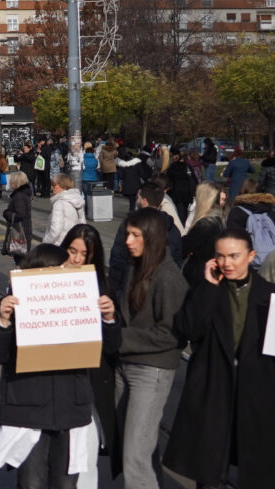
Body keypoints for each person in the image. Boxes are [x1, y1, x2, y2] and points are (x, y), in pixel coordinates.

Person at [0, 243, 118, 489]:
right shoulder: (11, 305)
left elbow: (110, 348)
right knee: (31, 483)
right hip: (29, 411)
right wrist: (3, 321)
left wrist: (108, 319)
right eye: (60, 269)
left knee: (66, 484)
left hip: (70, 409)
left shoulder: (83, 300)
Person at [163, 229, 275, 489]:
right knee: (209, 468)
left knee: (258, 469)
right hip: (213, 389)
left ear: (251, 256)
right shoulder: (207, 289)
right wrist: (208, 288)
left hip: (256, 393)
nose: (227, 263)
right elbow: (188, 329)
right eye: (221, 256)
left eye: (234, 256)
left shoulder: (268, 295)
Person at [114, 208, 188, 489]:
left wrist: (121, 339)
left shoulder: (168, 277)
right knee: (139, 447)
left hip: (152, 370)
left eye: (135, 235)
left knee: (136, 455)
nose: (128, 241)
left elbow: (172, 334)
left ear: (152, 237)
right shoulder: (136, 267)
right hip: (126, 365)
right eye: (127, 234)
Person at [60, 224, 119, 488]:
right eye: (72, 251)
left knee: (86, 454)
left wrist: (110, 318)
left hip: (88, 384)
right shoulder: (46, 278)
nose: (77, 259)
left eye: (85, 254)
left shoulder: (103, 286)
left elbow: (114, 346)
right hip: (55, 382)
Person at [182, 181, 227, 286]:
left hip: (200, 276)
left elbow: (183, 248)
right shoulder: (219, 218)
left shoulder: (205, 225)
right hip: (210, 271)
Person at [43, 174, 86, 245]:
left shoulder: (59, 204)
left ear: (62, 185)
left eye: (54, 185)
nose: (51, 187)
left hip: (59, 244)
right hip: (72, 242)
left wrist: (45, 243)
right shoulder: (77, 200)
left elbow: (55, 230)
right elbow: (82, 223)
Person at [3, 171, 33, 266]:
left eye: (11, 180)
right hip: (23, 230)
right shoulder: (22, 193)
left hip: (20, 232)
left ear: (17, 182)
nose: (10, 182)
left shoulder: (19, 195)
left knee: (20, 259)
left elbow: (20, 214)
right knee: (21, 259)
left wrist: (7, 213)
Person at [116, 148, 146, 212]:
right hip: (136, 184)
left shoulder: (122, 164)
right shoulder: (137, 163)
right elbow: (142, 174)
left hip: (127, 185)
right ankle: (136, 211)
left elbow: (121, 176)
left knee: (131, 200)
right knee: (137, 199)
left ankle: (132, 212)